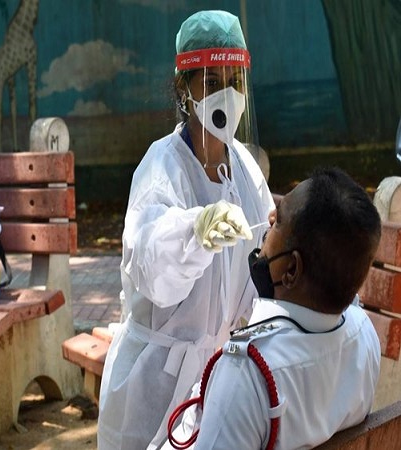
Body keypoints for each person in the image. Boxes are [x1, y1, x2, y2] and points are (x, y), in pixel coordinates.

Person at [97, 10, 274, 449]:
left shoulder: (244, 168)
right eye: (212, 82)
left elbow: (264, 258)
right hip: (154, 384)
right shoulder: (162, 166)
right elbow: (150, 260)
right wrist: (194, 232)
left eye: (235, 81)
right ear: (184, 89)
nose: (228, 95)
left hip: (219, 377)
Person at [167, 167, 382, 450]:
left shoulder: (247, 374)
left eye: (279, 220)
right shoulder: (365, 334)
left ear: (291, 270)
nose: (269, 219)